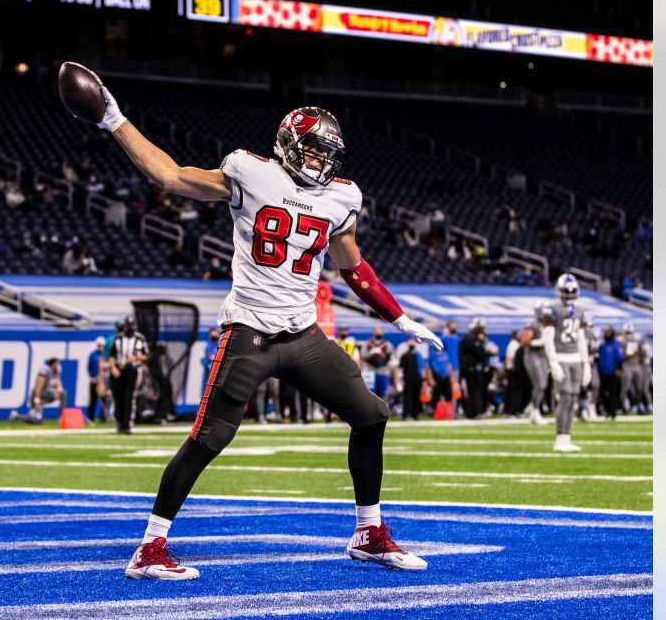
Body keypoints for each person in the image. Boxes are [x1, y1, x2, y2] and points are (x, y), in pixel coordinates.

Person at [66, 72, 442, 577]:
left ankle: (368, 533)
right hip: (250, 331)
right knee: (210, 437)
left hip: (305, 336)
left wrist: (399, 318)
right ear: (289, 146)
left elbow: (352, 265)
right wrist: (113, 119)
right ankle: (149, 547)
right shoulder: (250, 172)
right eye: (312, 152)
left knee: (371, 415)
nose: (321, 163)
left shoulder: (342, 197)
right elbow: (171, 176)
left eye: (327, 155)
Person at [541, 274, 592, 452]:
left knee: (573, 396)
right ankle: (560, 438)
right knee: (565, 396)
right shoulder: (552, 310)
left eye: (572, 290)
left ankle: (567, 437)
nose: (569, 294)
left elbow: (581, 339)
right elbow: (547, 338)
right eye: (566, 290)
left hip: (576, 358)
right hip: (561, 356)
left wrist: (586, 364)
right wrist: (553, 362)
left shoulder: (580, 311)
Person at [109, 315, 149, 435]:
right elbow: (112, 355)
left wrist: (136, 357)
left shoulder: (140, 338)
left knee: (129, 397)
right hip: (118, 369)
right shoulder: (118, 338)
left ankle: (127, 425)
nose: (129, 328)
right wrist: (113, 368)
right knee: (118, 398)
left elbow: (146, 355)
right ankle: (120, 423)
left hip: (132, 370)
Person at [460, 318, 493, 419]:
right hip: (472, 368)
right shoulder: (471, 337)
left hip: (471, 367)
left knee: (474, 391)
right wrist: (488, 353)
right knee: (474, 391)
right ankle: (472, 412)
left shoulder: (470, 337)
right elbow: (479, 353)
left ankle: (472, 412)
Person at [621, 323, 653, 414]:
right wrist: (634, 354)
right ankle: (625, 406)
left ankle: (639, 405)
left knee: (638, 388)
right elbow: (624, 355)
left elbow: (641, 354)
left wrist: (638, 354)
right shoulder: (622, 341)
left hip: (636, 366)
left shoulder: (637, 341)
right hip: (627, 366)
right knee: (626, 388)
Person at [597, 327, 625, 420]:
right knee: (603, 393)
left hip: (613, 372)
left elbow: (619, 358)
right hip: (602, 372)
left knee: (613, 393)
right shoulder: (602, 346)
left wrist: (619, 369)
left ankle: (612, 412)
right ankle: (607, 410)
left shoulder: (616, 346)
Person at [362, 328, 395, 400]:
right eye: (377, 331)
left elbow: (392, 357)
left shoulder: (387, 344)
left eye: (380, 331)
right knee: (370, 395)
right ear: (374, 332)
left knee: (383, 395)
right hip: (369, 372)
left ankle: (383, 411)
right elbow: (363, 355)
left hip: (383, 371)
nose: (378, 332)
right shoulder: (367, 343)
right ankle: (370, 411)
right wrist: (371, 352)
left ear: (383, 332)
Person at [397, 338, 423, 420]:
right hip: (407, 380)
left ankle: (415, 415)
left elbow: (422, 368)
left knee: (416, 397)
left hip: (417, 380)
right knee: (407, 398)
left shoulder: (418, 356)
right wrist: (399, 380)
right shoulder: (404, 356)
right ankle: (405, 415)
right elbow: (400, 369)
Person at [87, 336, 111, 422]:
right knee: (93, 399)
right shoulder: (93, 354)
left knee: (104, 399)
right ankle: (91, 417)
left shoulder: (106, 355)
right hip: (94, 380)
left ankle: (103, 416)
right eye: (99, 345)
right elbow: (89, 367)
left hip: (104, 380)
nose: (100, 347)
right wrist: (92, 377)